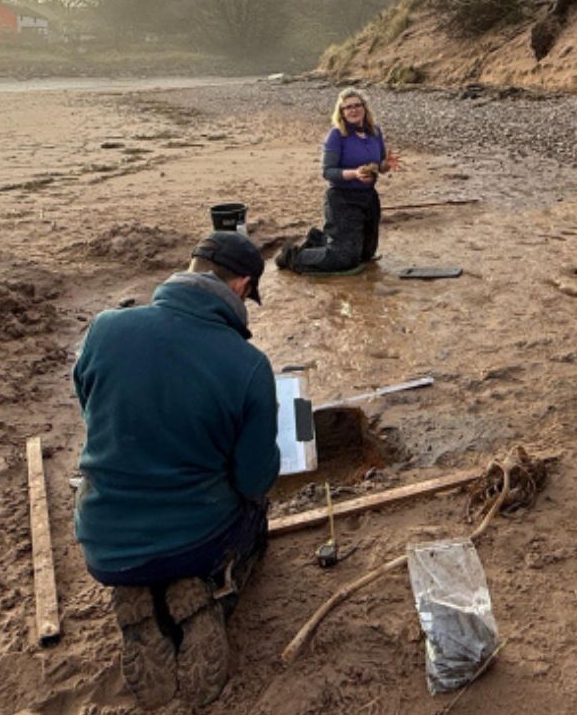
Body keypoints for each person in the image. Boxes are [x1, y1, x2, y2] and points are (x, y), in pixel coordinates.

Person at [72, 231, 279, 709]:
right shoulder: (248, 365)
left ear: (190, 267)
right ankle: (212, 594)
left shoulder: (105, 329)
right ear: (243, 286)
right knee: (256, 513)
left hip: (106, 544)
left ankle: (140, 598)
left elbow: (93, 413)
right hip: (197, 542)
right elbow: (253, 480)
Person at [276, 88, 401, 273]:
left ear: (364, 107)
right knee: (344, 259)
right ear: (341, 112)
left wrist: (386, 164)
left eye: (357, 105)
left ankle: (318, 238)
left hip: (369, 198)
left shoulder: (375, 132)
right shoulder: (336, 135)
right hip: (342, 198)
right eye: (348, 107)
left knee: (366, 254)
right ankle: (291, 255)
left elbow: (379, 166)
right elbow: (327, 172)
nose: (353, 110)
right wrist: (354, 174)